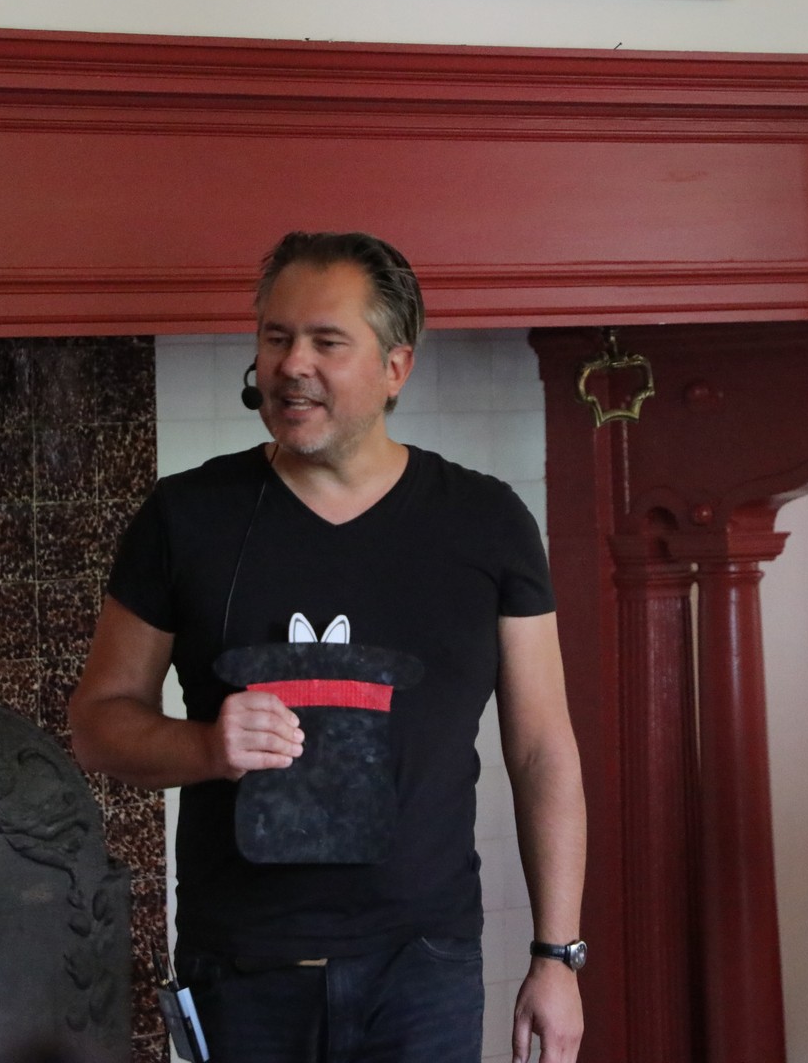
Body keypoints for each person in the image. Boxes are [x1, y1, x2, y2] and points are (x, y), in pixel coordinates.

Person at [69, 231, 586, 1063]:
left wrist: (557, 956)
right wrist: (206, 747)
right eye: (276, 337)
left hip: (424, 970)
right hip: (240, 972)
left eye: (326, 342)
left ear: (395, 367)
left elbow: (542, 750)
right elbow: (98, 723)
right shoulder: (186, 517)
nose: (291, 365)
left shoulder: (488, 523)